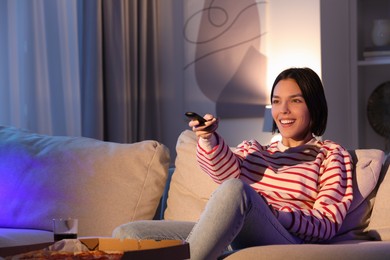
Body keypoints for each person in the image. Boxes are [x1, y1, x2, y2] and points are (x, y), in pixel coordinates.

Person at [113, 67, 353, 260]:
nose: (284, 110)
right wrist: (207, 137)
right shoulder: (256, 149)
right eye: (277, 101)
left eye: (296, 100)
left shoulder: (330, 154)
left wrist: (273, 214)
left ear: (314, 105)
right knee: (128, 234)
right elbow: (222, 171)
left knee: (235, 189)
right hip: (234, 229)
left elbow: (327, 223)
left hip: (283, 234)